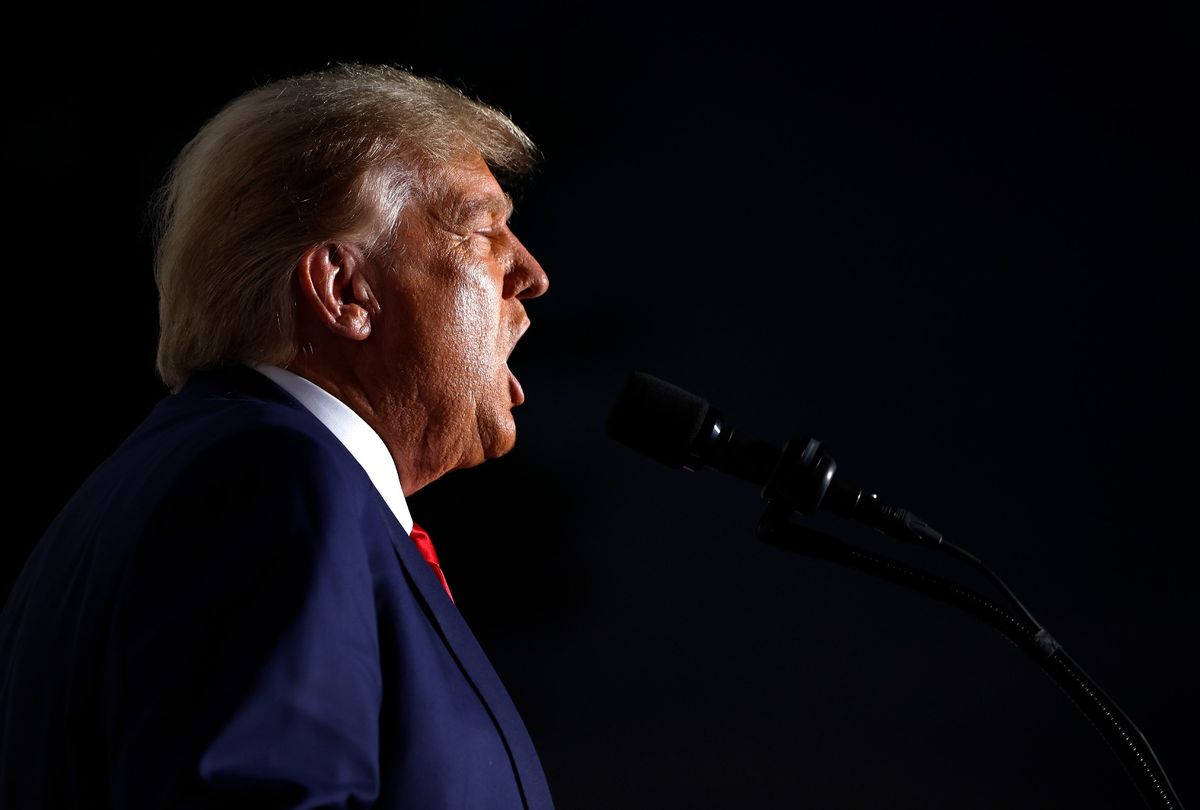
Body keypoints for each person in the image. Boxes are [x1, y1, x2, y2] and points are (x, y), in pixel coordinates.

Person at [0, 63, 554, 809]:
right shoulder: (270, 479)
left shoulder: (182, 480)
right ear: (344, 290)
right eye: (483, 229)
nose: (530, 273)